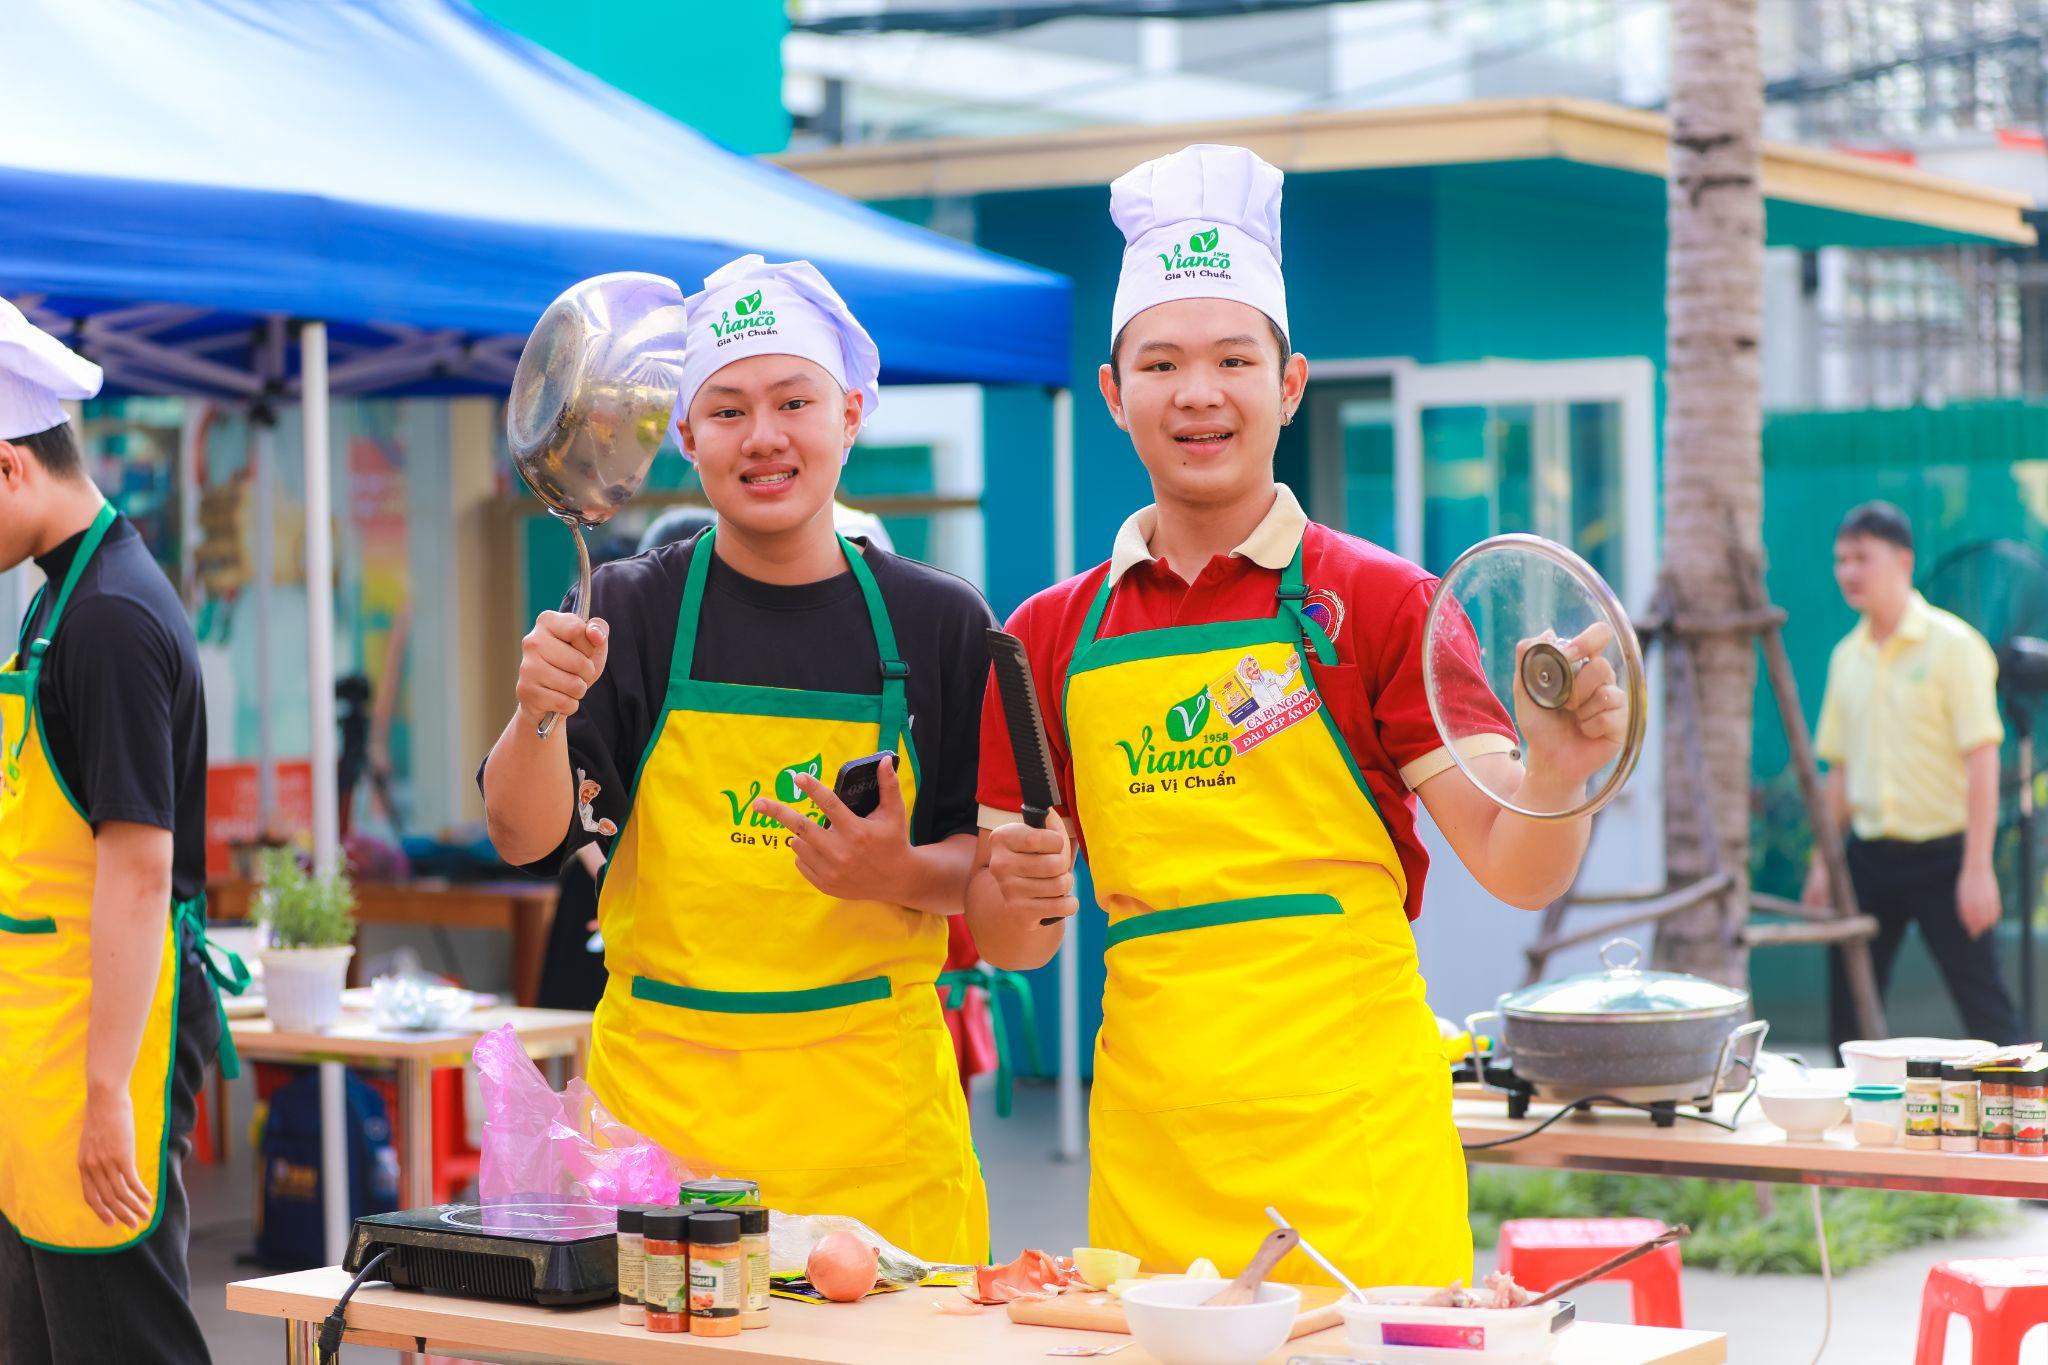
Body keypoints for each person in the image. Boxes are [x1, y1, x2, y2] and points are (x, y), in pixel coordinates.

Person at [966, 145, 1627, 1287]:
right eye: (1161, 362)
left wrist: (1556, 765)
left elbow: (1514, 868)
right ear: (1116, 393)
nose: (1199, 392)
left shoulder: (1382, 604)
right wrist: (1004, 891)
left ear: (1289, 383)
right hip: (1155, 1148)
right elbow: (1017, 941)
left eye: (1234, 357)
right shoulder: (1044, 637)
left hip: (1355, 1147)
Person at [481, 256, 991, 1261]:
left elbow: (993, 870)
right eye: (726, 410)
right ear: (684, 438)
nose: (763, 436)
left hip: (877, 1148)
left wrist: (895, 872)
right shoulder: (626, 609)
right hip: (663, 1150)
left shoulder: (940, 624)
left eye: (792, 401)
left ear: (848, 415)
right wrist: (536, 712)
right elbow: (522, 835)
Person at [0, 300, 237, 1364]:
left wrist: (106, 1101)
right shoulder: (57, 602)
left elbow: (140, 878)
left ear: (9, 469)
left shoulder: (110, 619)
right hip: (42, 1045)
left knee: (120, 1339)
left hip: (99, 1055)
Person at [1807, 501, 2022, 1048]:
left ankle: (2029, 1119)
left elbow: (1982, 758)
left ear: (1903, 561)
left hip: (1946, 859)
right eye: (1840, 560)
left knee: (1985, 1006)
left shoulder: (1955, 646)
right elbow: (1839, 772)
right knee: (1849, 1013)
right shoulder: (1844, 658)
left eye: (1862, 557)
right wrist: (1821, 863)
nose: (1849, 572)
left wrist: (1977, 869)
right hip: (1869, 860)